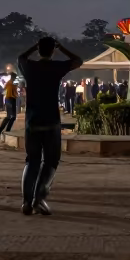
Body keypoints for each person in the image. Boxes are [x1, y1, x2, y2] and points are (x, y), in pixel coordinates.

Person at [18, 37, 83, 215]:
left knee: (32, 161)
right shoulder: (56, 67)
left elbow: (21, 57)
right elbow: (78, 61)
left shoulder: (30, 67)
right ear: (53, 51)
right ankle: (39, 199)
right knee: (51, 161)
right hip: (51, 121)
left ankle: (26, 202)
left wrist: (34, 46)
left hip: (32, 121)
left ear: (38, 50)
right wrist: (61, 47)